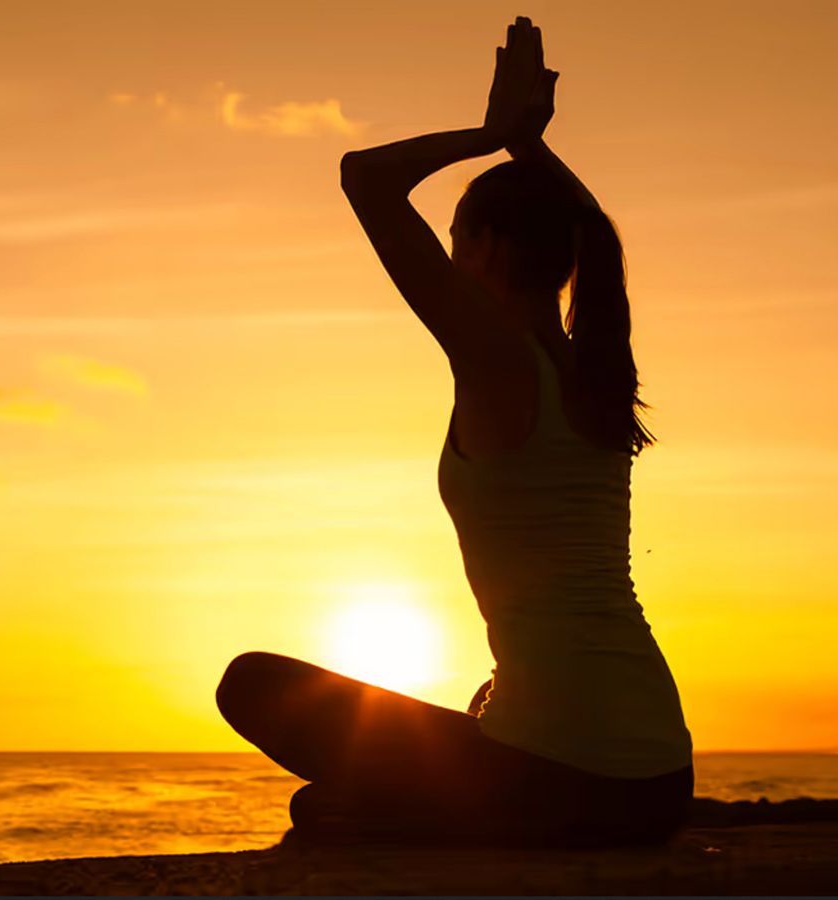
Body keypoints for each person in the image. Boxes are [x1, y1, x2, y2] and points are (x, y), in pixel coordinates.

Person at [214, 16, 694, 848]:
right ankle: (393, 812)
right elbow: (588, 227)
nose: (449, 257)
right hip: (659, 780)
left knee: (251, 683)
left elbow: (364, 179)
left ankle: (397, 815)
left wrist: (492, 135)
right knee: (473, 707)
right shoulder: (596, 365)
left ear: (488, 248)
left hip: (567, 780)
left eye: (455, 239)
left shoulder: (497, 357)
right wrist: (528, 149)